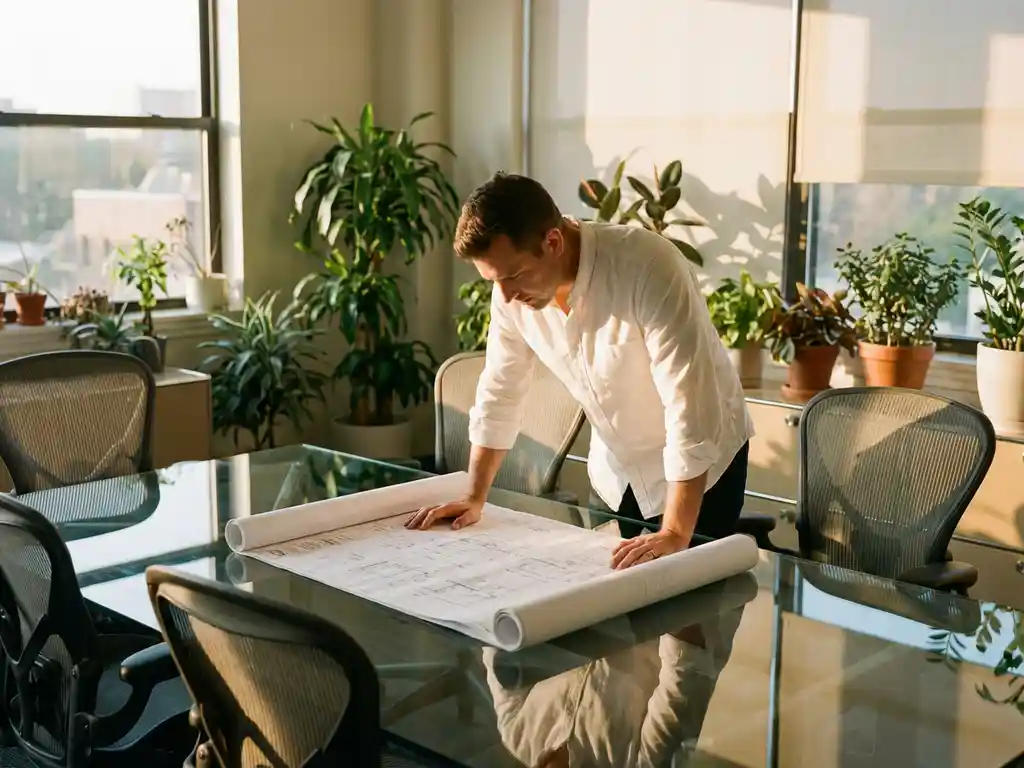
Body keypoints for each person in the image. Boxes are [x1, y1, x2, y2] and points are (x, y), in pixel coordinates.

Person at [406, 172, 753, 569]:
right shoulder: (511, 293)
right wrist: (473, 495)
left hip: (702, 473)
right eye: (493, 281)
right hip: (617, 471)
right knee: (610, 611)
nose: (503, 295)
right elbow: (501, 388)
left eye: (513, 276)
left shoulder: (648, 266)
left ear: (552, 242)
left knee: (690, 617)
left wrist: (674, 532)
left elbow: (689, 404)